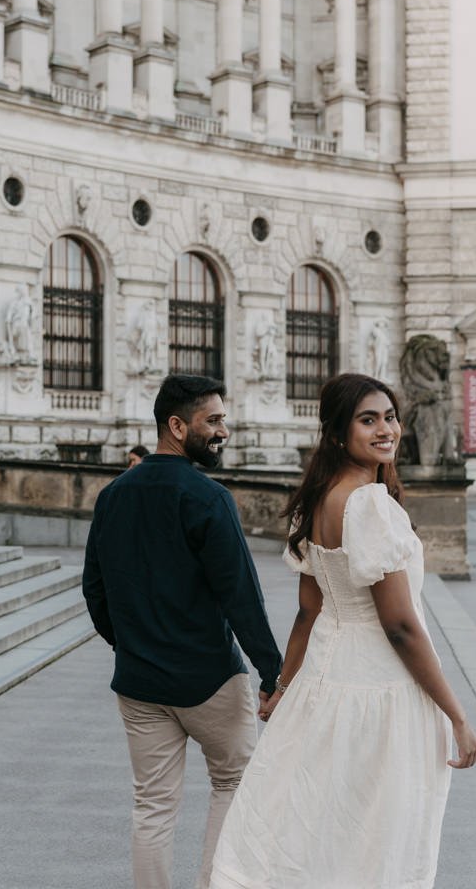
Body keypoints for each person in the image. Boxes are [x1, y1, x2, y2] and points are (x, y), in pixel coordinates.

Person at [208, 372, 476, 889]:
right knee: (374, 836)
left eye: (390, 416)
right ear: (337, 434)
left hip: (323, 686)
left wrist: (283, 688)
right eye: (368, 420)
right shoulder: (370, 504)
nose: (386, 429)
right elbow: (400, 625)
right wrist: (457, 714)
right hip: (379, 687)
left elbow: (309, 613)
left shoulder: (320, 499)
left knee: (317, 828)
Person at [83, 374, 283, 889]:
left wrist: (130, 645)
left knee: (151, 806)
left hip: (140, 682)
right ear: (177, 426)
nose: (224, 431)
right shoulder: (207, 498)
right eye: (212, 421)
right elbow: (241, 595)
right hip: (210, 678)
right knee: (234, 786)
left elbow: (95, 591)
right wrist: (272, 671)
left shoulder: (112, 497)